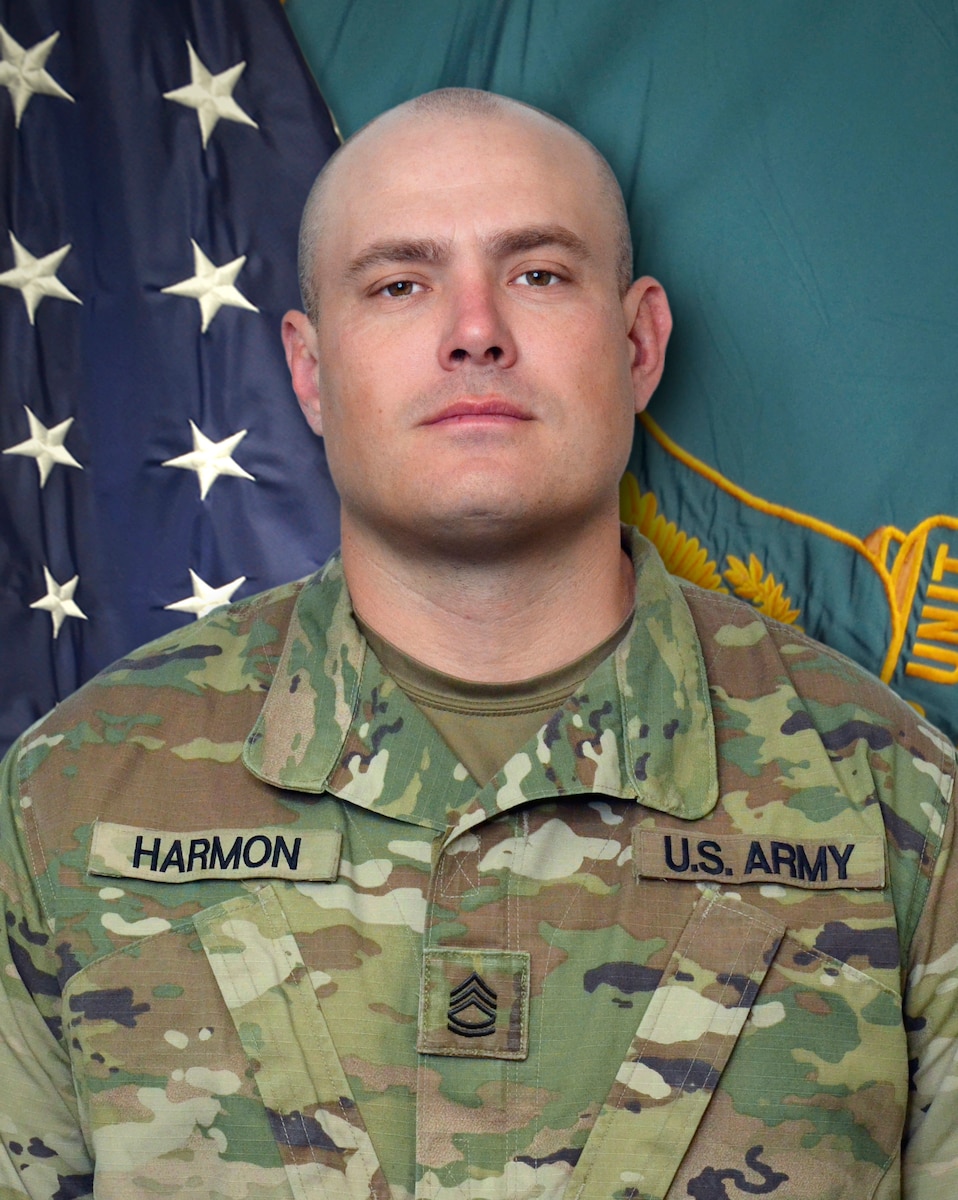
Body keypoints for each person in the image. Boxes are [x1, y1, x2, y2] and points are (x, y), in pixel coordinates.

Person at [0, 88, 955, 1200]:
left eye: (537, 273)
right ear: (309, 370)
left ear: (639, 343)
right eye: (400, 283)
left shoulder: (891, 798)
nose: (474, 329)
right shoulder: (71, 799)